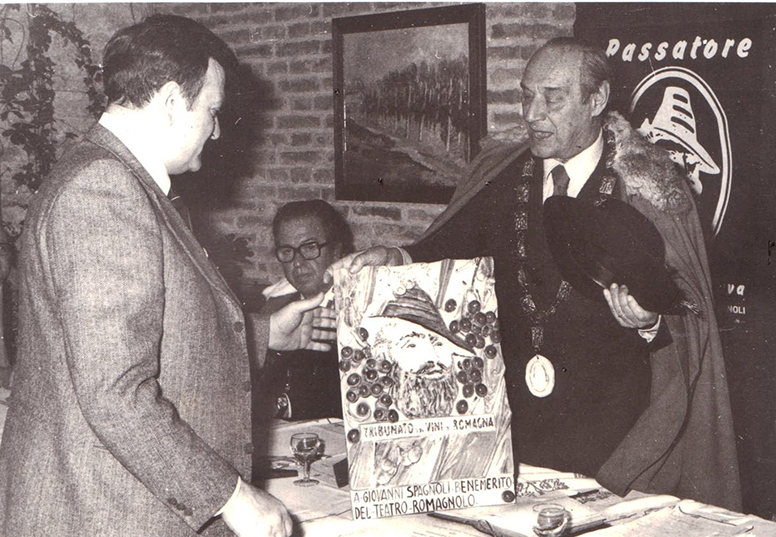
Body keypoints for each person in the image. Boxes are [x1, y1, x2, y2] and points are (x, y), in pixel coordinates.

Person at [341, 37, 741, 510]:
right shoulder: (499, 172)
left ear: (596, 99)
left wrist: (650, 321)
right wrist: (397, 255)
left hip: (612, 439)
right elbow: (445, 247)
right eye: (526, 96)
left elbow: (688, 321)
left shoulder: (647, 189)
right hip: (513, 430)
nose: (532, 114)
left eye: (553, 98)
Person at [0, 15, 335, 537]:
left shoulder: (115, 179)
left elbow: (153, 335)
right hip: (103, 514)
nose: (217, 130)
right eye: (212, 111)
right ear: (173, 100)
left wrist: (266, 332)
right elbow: (114, 391)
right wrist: (231, 496)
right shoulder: (103, 190)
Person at [257, 200, 352, 424]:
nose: (297, 263)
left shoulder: (360, 311)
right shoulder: (274, 309)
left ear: (336, 251)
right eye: (287, 251)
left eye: (309, 248)